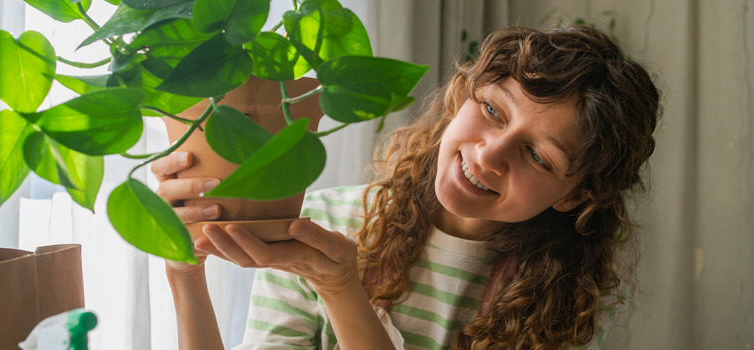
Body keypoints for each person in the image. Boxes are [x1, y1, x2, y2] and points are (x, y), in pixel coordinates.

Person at [152, 24, 662, 350]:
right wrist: (184, 274)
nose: (488, 155)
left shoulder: (562, 306)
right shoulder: (318, 226)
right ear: (462, 97)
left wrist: (341, 290)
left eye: (535, 155)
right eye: (491, 110)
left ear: (576, 195)